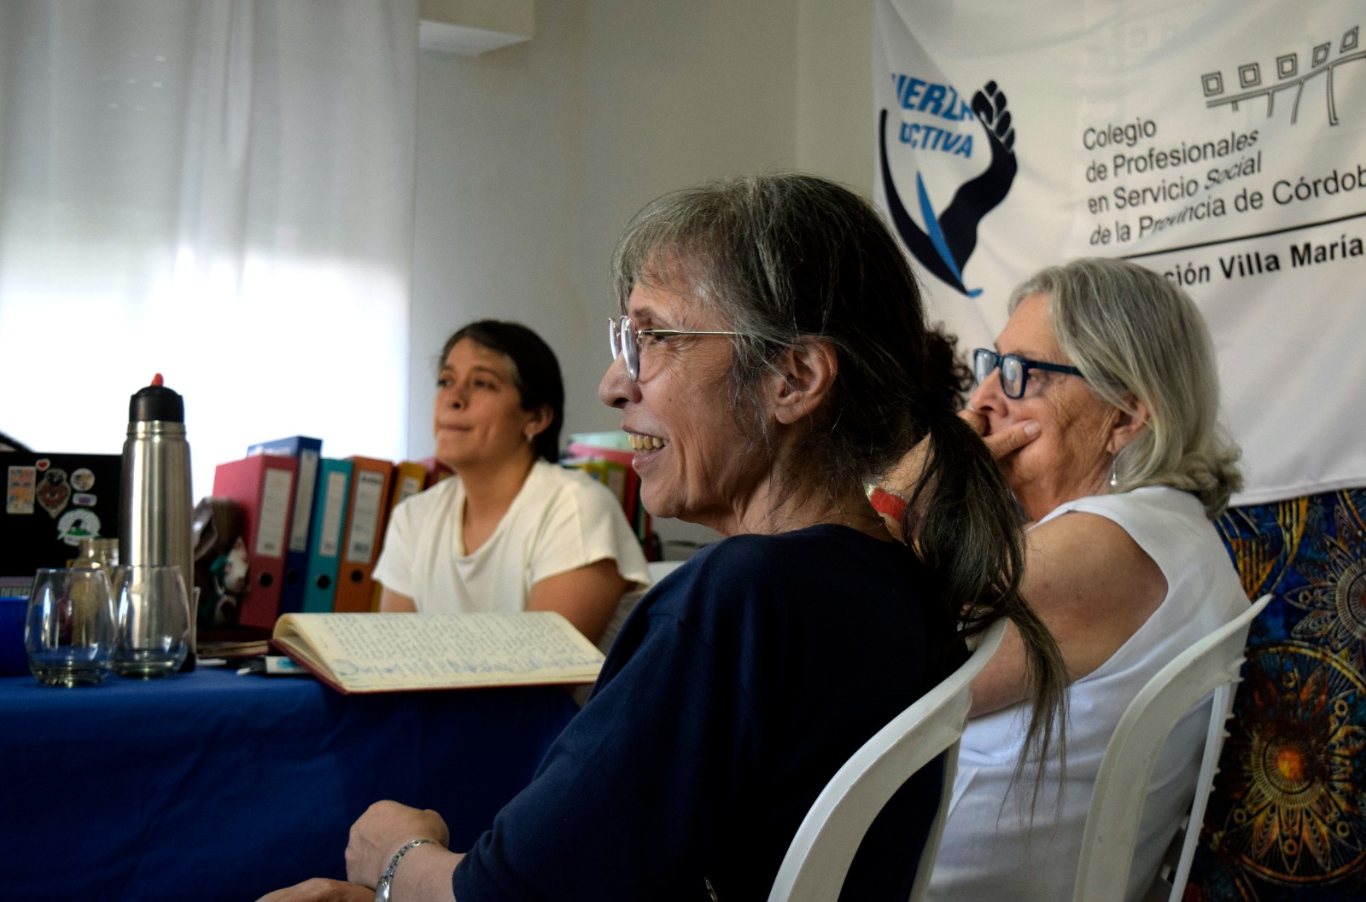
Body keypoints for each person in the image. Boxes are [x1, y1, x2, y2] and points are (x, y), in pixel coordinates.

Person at [257, 173, 1065, 902]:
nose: (615, 383)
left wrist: (398, 859)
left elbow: (512, 896)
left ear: (794, 379)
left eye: (655, 338)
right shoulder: (896, 585)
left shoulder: (739, 597)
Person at [902, 258, 1249, 902]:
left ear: (1123, 416)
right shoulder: (1163, 528)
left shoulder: (1099, 546)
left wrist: (916, 488)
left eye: (1019, 375)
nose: (979, 401)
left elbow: (846, 676)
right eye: (989, 365)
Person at [372, 320, 650, 645]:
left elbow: (541, 676)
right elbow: (389, 668)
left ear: (536, 418)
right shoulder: (411, 519)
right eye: (446, 381)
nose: (454, 398)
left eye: (482, 384)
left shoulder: (574, 507)